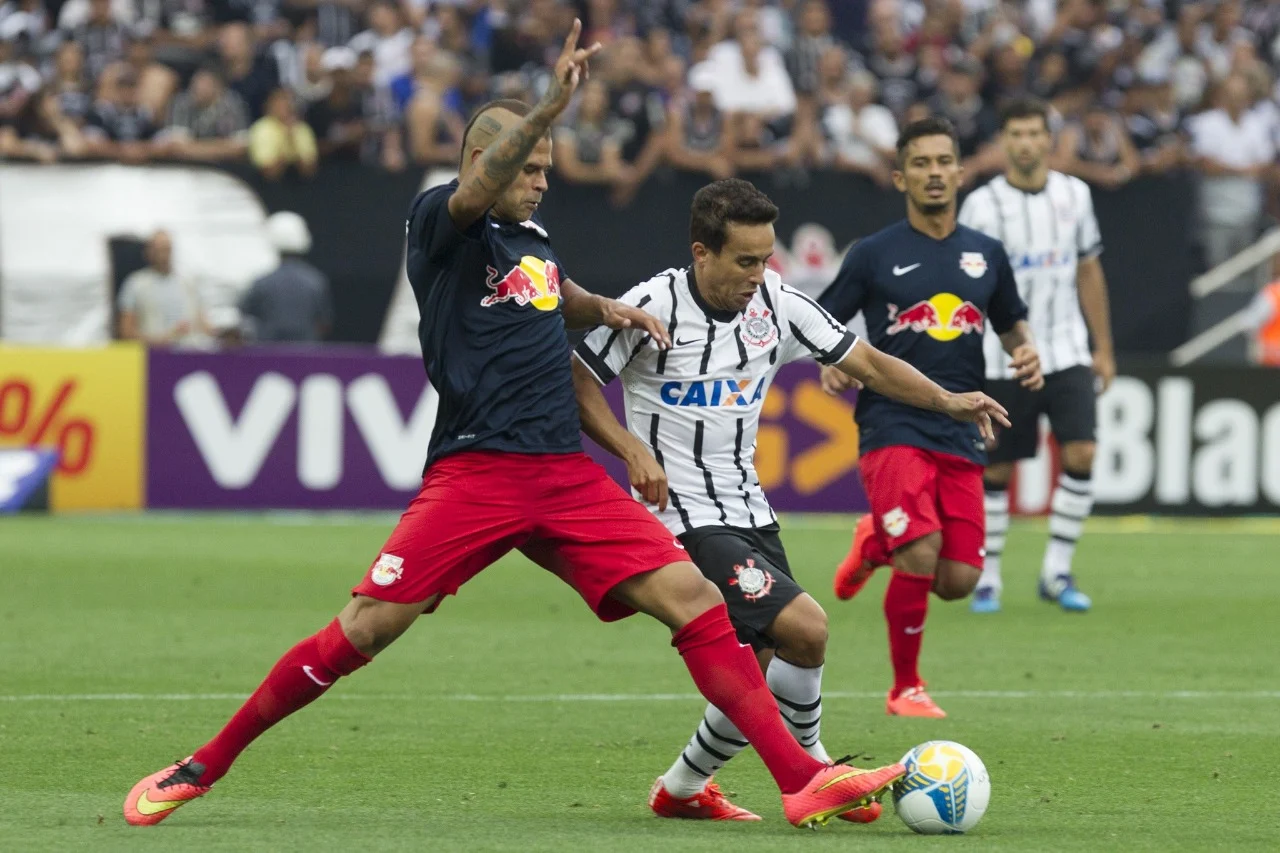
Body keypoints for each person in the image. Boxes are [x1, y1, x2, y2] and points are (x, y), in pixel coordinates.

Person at [122, 22, 906, 831]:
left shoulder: (529, 239)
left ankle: (801, 779)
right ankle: (203, 763)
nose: (538, 180)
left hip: (563, 474)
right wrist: (546, 110)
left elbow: (550, 286)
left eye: (542, 168)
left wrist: (603, 308)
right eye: (527, 168)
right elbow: (479, 186)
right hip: (478, 473)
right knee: (364, 629)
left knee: (696, 599)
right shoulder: (440, 221)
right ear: (482, 163)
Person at [573, 179, 1010, 822]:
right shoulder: (651, 304)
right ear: (703, 252)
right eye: (745, 261)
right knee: (807, 628)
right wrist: (630, 451)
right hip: (681, 515)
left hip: (749, 509)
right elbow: (578, 380)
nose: (759, 273)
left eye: (766, 258)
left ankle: (682, 788)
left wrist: (948, 399)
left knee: (764, 668)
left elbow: (869, 362)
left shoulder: (776, 303)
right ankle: (820, 772)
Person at [818, 117, 1043, 719]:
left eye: (944, 161)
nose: (935, 172)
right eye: (921, 163)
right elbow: (821, 322)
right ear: (900, 177)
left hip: (962, 424)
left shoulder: (986, 254)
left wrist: (1023, 347)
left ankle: (874, 541)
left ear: (961, 173)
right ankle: (905, 689)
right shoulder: (873, 254)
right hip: (892, 422)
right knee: (920, 553)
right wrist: (832, 363)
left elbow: (1010, 319)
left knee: (958, 580)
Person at [958, 98, 1116, 615]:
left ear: (1048, 138)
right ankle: (990, 578)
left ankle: (1057, 571)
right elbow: (966, 286)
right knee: (998, 469)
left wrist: (1103, 347)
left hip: (1067, 348)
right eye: (1016, 134)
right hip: (1002, 355)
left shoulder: (1075, 195)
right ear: (1004, 142)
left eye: (1034, 133)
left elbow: (1088, 270)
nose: (1026, 143)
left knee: (1082, 454)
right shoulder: (982, 205)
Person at [239, 212, 331, 343]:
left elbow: (243, 317)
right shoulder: (316, 281)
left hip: (267, 357)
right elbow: (324, 323)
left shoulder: (262, 283)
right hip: (306, 357)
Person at [117, 230, 209, 347]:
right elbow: (126, 332)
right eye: (159, 250)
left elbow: (204, 324)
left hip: (190, 354)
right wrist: (163, 339)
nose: (164, 255)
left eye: (167, 249)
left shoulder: (188, 282)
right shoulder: (135, 284)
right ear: (148, 252)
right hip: (154, 357)